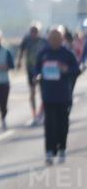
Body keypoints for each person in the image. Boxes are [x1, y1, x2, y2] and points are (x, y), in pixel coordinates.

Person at [34, 26, 81, 165]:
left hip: (63, 95)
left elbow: (76, 70)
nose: (54, 41)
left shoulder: (67, 54)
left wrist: (66, 69)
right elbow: (37, 68)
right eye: (52, 38)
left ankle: (62, 148)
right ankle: (49, 151)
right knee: (49, 124)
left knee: (62, 123)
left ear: (62, 39)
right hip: (48, 94)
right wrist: (37, 76)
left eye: (57, 38)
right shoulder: (43, 53)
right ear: (48, 39)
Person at [17, 22, 48, 125]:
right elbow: (21, 51)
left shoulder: (44, 41)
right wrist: (19, 62)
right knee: (32, 92)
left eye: (36, 31)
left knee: (44, 92)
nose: (33, 33)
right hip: (31, 69)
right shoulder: (27, 40)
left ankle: (42, 112)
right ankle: (34, 114)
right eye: (32, 31)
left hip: (43, 69)